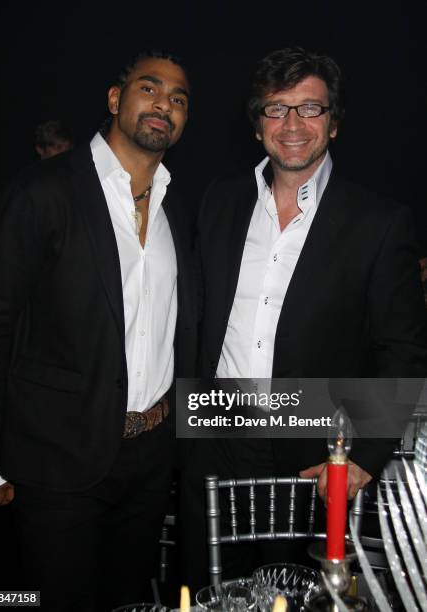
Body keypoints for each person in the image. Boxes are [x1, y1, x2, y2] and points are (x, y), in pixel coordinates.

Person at [180, 46, 427, 590]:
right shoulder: (218, 201)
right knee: (205, 588)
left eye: (310, 109)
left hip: (309, 448)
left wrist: (362, 455)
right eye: (276, 108)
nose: (292, 124)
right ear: (257, 123)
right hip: (214, 428)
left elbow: (403, 349)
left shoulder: (380, 222)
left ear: (333, 123)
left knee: (288, 591)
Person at [0, 50, 196, 612]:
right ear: (115, 99)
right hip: (59, 457)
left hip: (149, 462)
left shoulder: (179, 207)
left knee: (125, 600)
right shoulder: (45, 191)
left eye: (177, 98)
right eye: (149, 89)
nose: (163, 105)